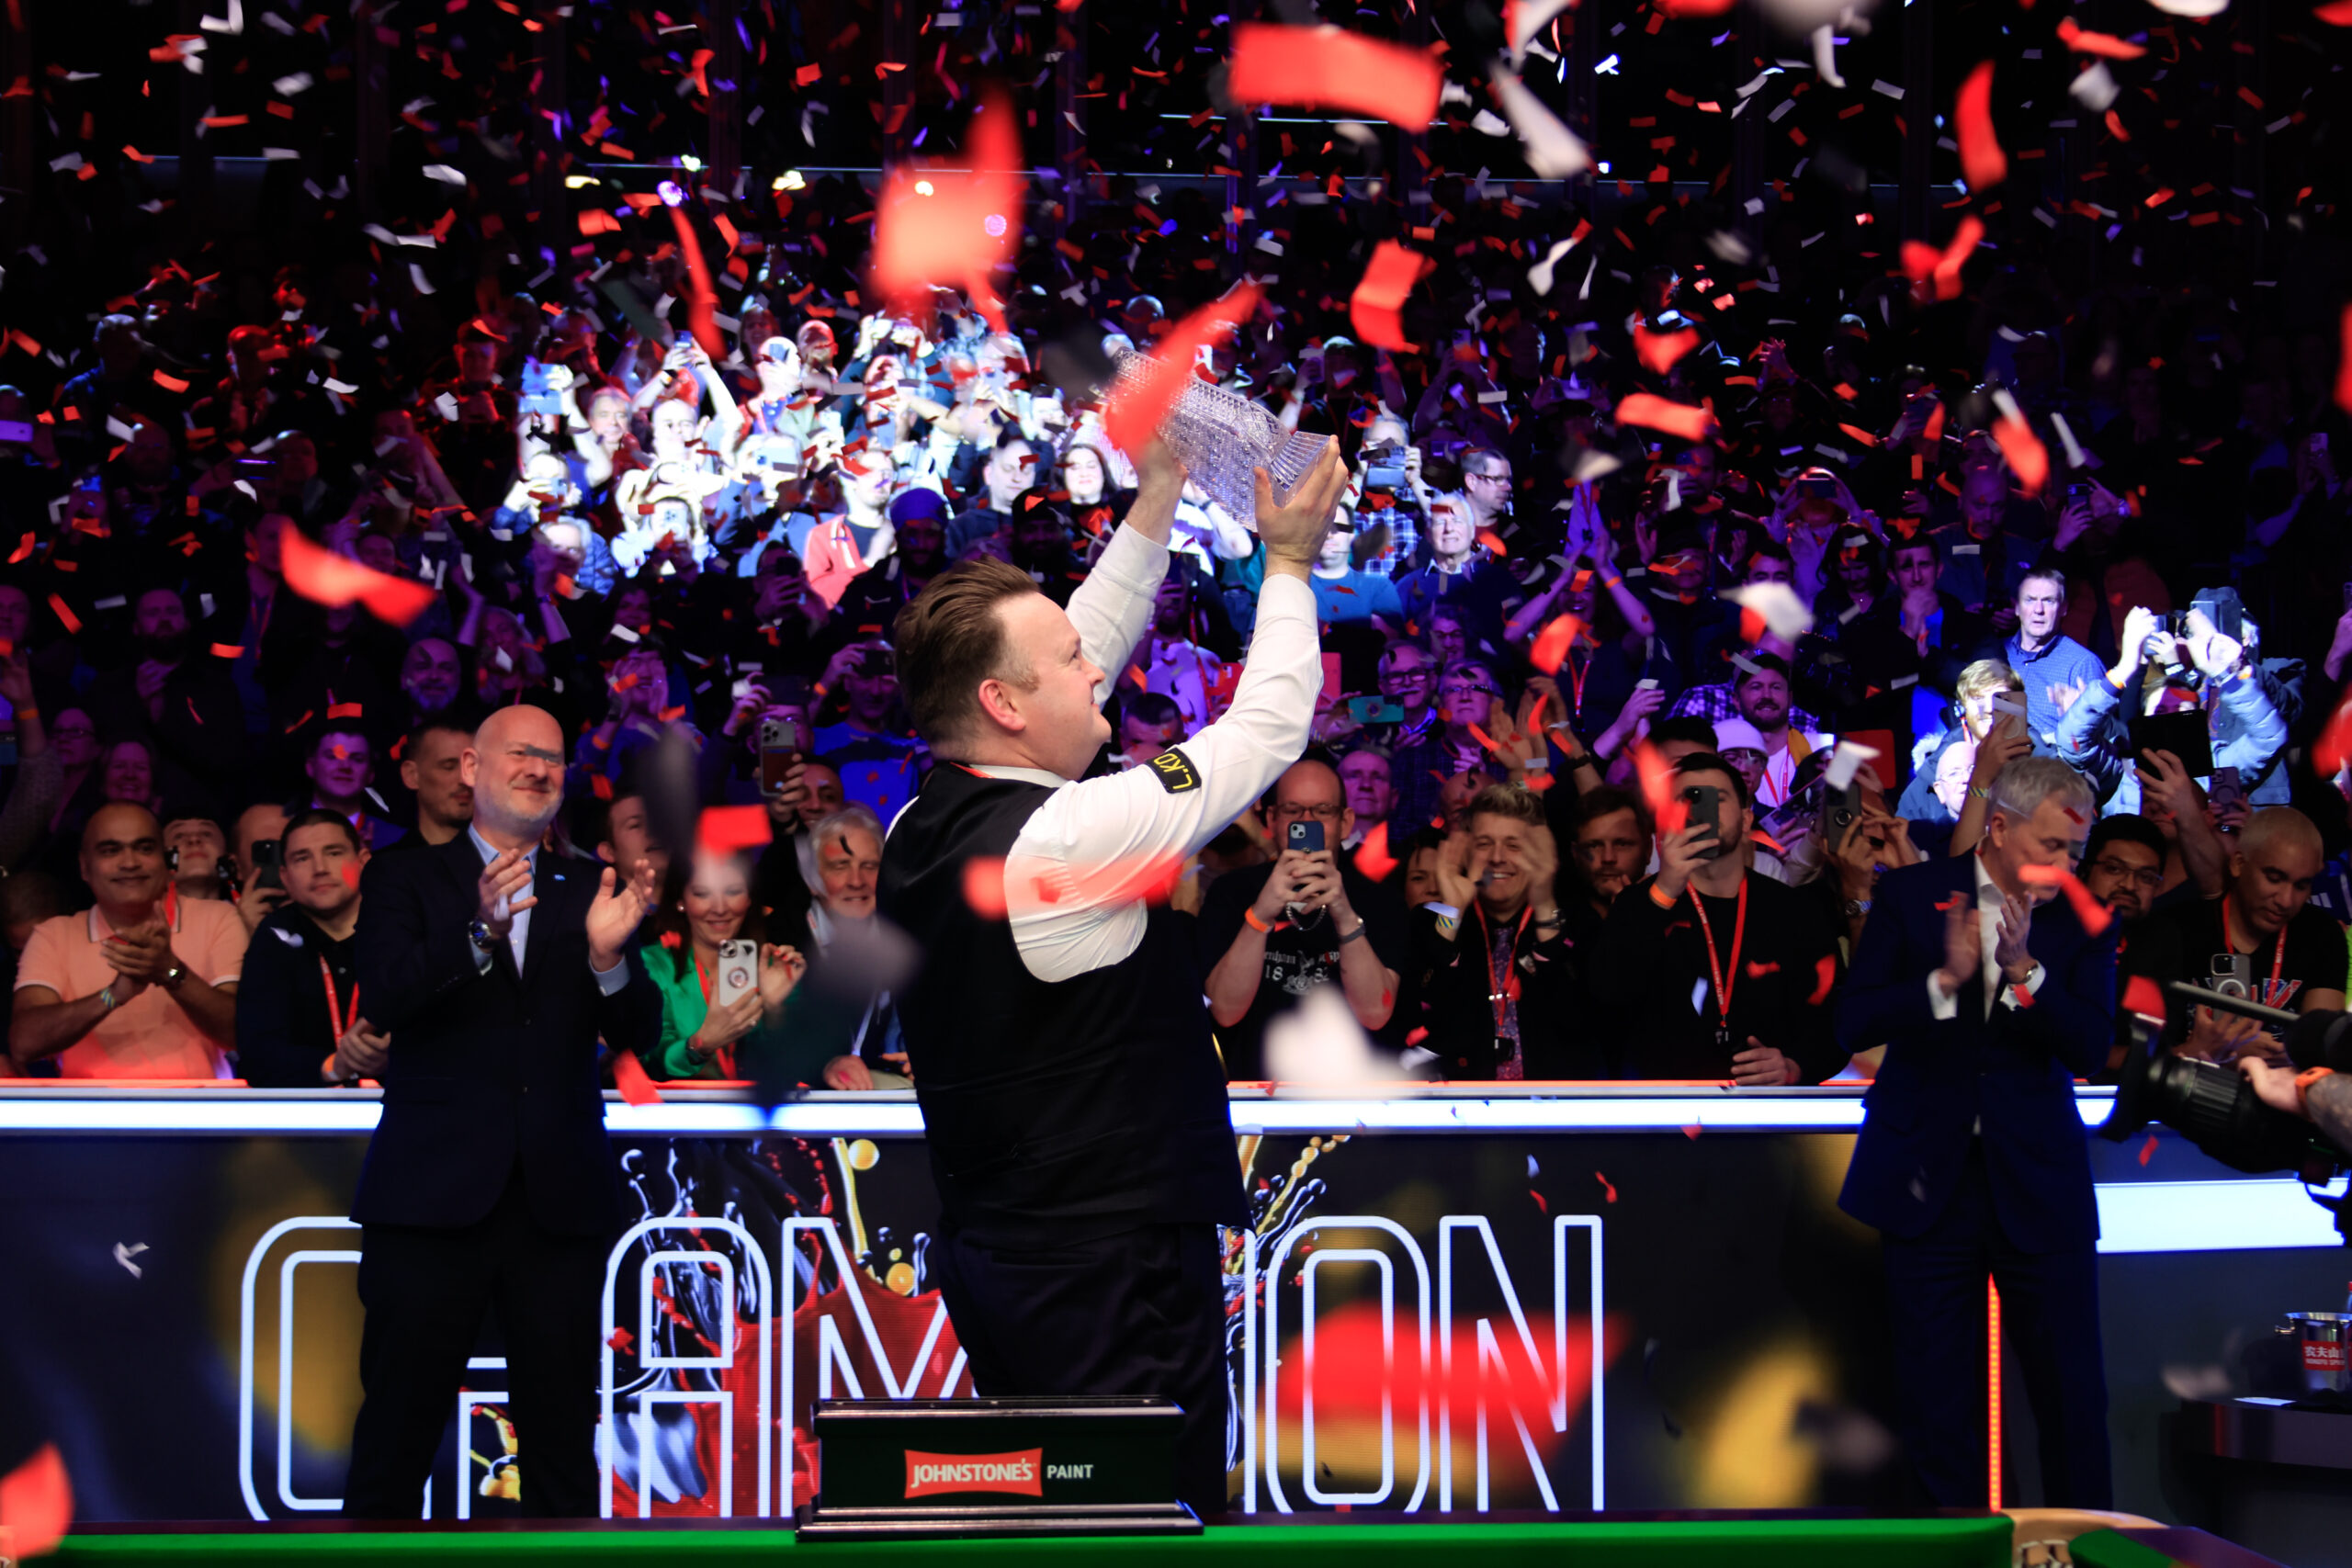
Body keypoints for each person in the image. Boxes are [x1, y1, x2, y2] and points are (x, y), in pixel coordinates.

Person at [876, 434, 1347, 1517]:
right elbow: (1268, 725)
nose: (1100, 667)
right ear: (1001, 704)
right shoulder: (1067, 835)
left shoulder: (919, 819)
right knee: (1146, 1523)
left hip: (1014, 1256)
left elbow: (1061, 648)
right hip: (1107, 1273)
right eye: (1070, 664)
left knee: (1065, 1527)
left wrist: (1162, 497)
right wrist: (1286, 564)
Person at [341, 704, 662, 1519]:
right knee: (395, 1434)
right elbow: (385, 995)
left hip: (555, 1205)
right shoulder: (401, 876)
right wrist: (478, 932)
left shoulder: (592, 884)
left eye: (553, 757)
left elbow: (639, 1040)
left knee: (560, 1441)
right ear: (470, 770)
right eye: (520, 752)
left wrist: (609, 959)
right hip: (429, 1200)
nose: (539, 767)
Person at [1835, 756, 2117, 1508]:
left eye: (2076, 852)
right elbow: (1851, 1022)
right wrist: (1945, 982)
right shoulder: (1911, 894)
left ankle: (2086, 1547)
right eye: (2052, 847)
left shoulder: (2084, 918)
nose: (2067, 866)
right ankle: (1954, 1553)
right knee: (1934, 1402)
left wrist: (2026, 974)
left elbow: (2091, 1046)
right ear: (1997, 826)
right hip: (1928, 1181)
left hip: (2040, 1181)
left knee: (2071, 1398)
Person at [1596, 753, 1844, 1082]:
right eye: (1687, 800)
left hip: (1764, 1114)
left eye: (1716, 798)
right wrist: (1666, 888)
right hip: (1663, 1112)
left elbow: (1835, 1019)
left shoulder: (1791, 909)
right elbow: (1607, 996)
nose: (1701, 811)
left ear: (1745, 820)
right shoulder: (1640, 904)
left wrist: (1795, 1067)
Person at [1196, 758, 1408, 1079]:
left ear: (1345, 822)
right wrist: (1261, 912)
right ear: (1272, 819)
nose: (1307, 821)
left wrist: (1345, 916)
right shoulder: (1231, 893)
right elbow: (1225, 1010)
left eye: (1322, 811)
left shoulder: (1380, 900)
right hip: (1256, 1097)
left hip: (1351, 1097)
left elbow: (1376, 1013)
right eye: (1293, 811)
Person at [9, 803, 246, 1078]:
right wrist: (113, 996)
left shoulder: (218, 918)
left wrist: (171, 972)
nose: (130, 862)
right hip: (87, 1115)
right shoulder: (53, 935)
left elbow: (241, 1034)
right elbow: (24, 1043)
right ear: (85, 867)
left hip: (198, 1111)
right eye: (111, 850)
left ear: (166, 860)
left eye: (144, 848)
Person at [1408, 782, 1602, 1080]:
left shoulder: (1578, 919)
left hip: (1554, 1113)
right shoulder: (1436, 920)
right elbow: (1425, 1012)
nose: (1497, 857)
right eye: (1485, 844)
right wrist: (1453, 910)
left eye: (1514, 845)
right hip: (1461, 1112)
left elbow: (1580, 1021)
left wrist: (1544, 905)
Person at [2150, 806, 2346, 1053]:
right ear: (2239, 864)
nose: (2285, 900)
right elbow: (2137, 1061)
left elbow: (2321, 1052)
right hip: (2185, 1086)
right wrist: (2209, 1051)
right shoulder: (2175, 929)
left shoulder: (2321, 934)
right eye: (2274, 878)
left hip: (2277, 1087)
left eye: (2301, 885)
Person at [233, 809, 387, 1088]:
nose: (320, 868)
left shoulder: (401, 929)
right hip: (298, 1120)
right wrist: (333, 1065)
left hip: (400, 1110)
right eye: (302, 858)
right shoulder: (272, 937)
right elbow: (257, 1056)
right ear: (286, 876)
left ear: (364, 861)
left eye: (334, 852)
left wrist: (392, 1058)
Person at [638, 852, 804, 1081]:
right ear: (681, 901)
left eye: (733, 891)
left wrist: (776, 1011)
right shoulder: (652, 964)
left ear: (749, 899)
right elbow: (648, 1059)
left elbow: (792, 1065)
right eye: (703, 893)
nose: (719, 908)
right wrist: (702, 1043)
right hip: (678, 1112)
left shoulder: (772, 966)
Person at [2001, 569, 2106, 747]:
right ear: (2017, 607)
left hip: (2053, 769)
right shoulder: (1997, 653)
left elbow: (2097, 739)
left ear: (2064, 608)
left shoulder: (2083, 664)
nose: (2038, 610)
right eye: (2030, 600)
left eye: (2048, 601)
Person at [393, 720, 474, 848]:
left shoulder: (507, 860)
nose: (465, 779)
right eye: (449, 767)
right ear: (412, 775)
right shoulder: (388, 865)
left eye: (472, 767)